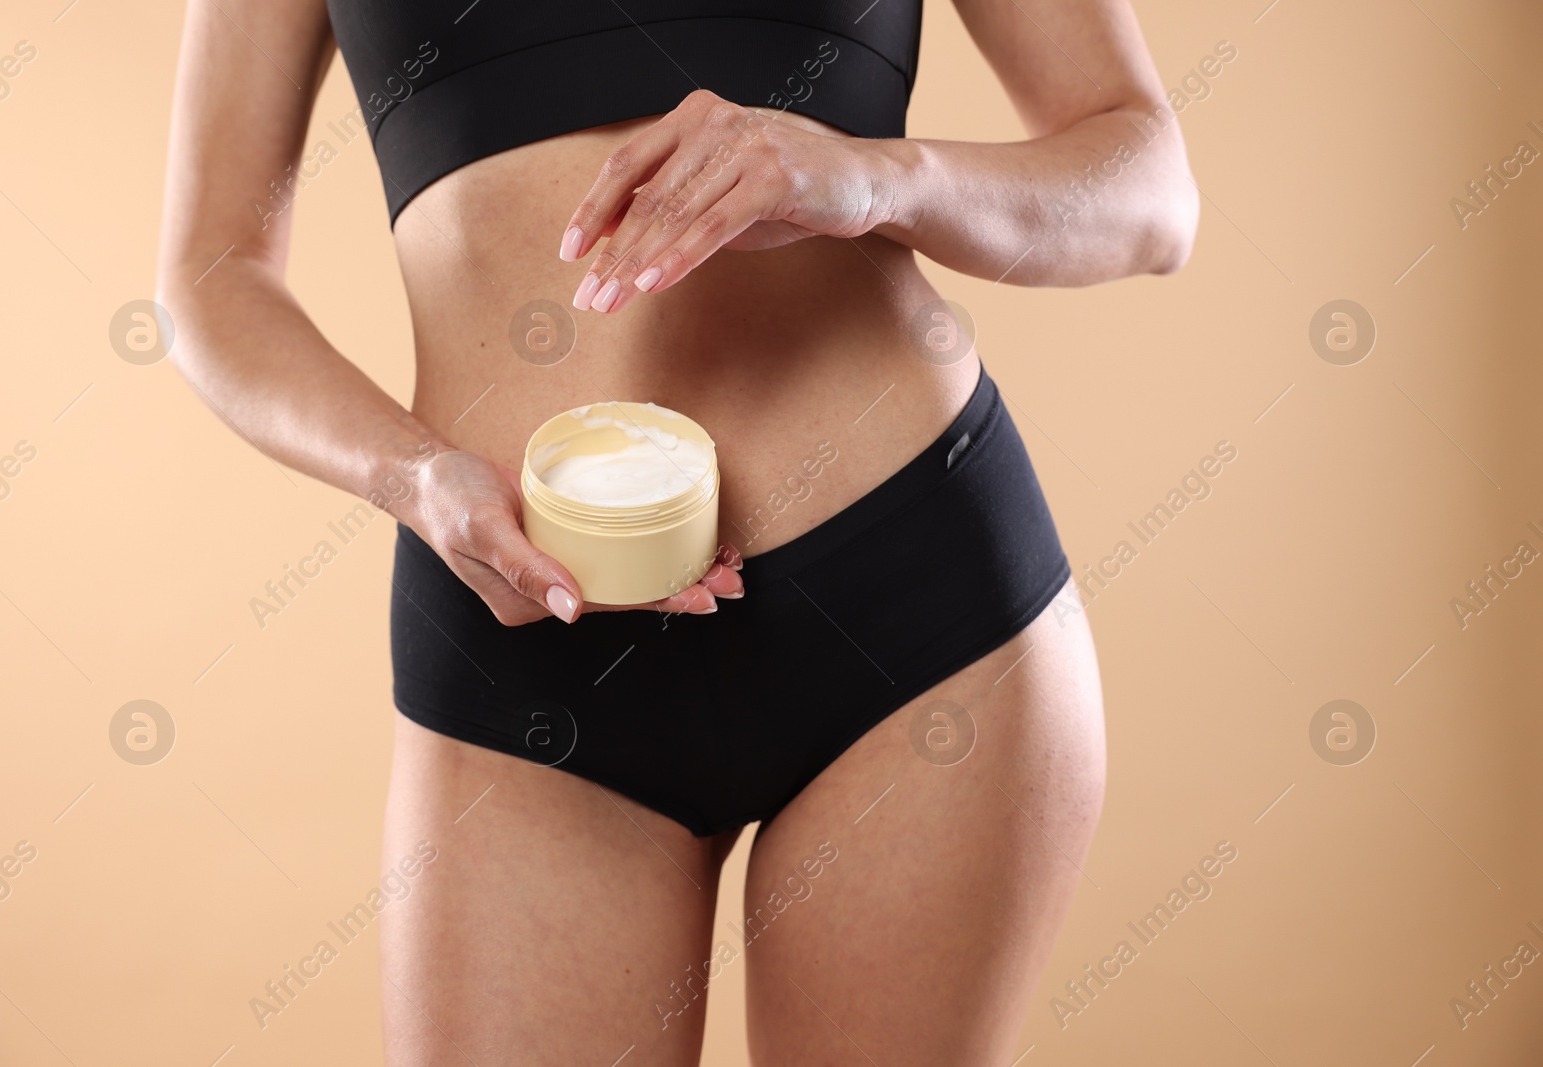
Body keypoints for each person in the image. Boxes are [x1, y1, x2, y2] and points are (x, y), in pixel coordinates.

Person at [157, 0, 1195, 1062]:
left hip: (909, 601)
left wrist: (880, 176)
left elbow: (1153, 191)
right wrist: (411, 476)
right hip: (525, 633)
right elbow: (207, 276)